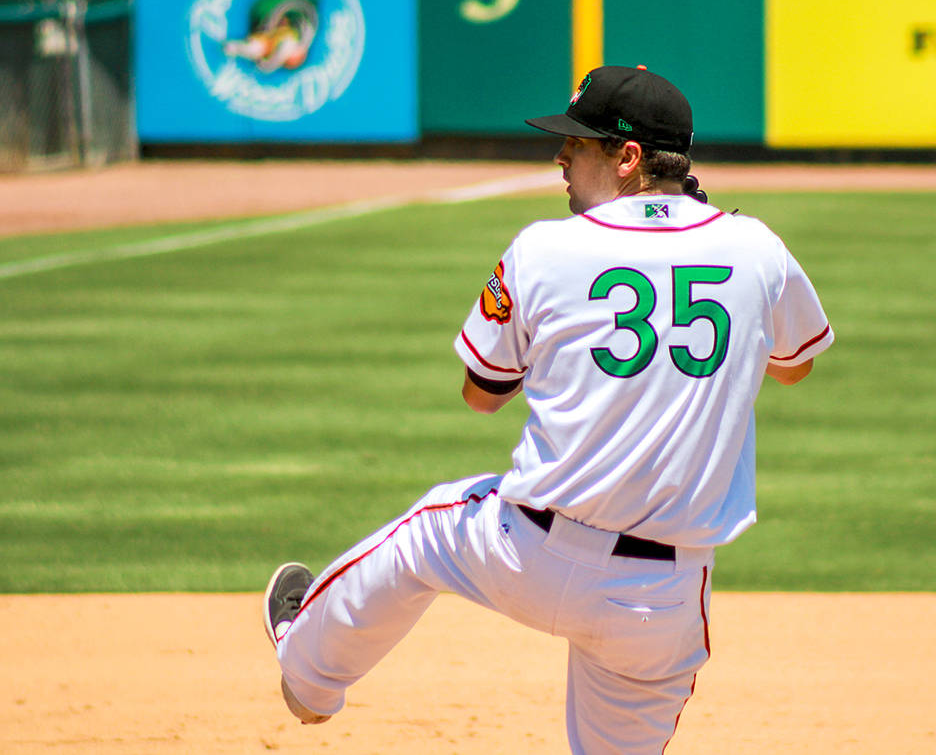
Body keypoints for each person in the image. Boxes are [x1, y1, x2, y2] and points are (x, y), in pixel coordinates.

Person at [263, 65, 834, 753]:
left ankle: (309, 673)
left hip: (526, 552)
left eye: (579, 144)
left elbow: (480, 393)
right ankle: (311, 669)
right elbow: (795, 366)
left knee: (425, 533)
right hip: (660, 600)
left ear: (627, 159)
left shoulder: (544, 247)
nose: (560, 156)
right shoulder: (757, 248)